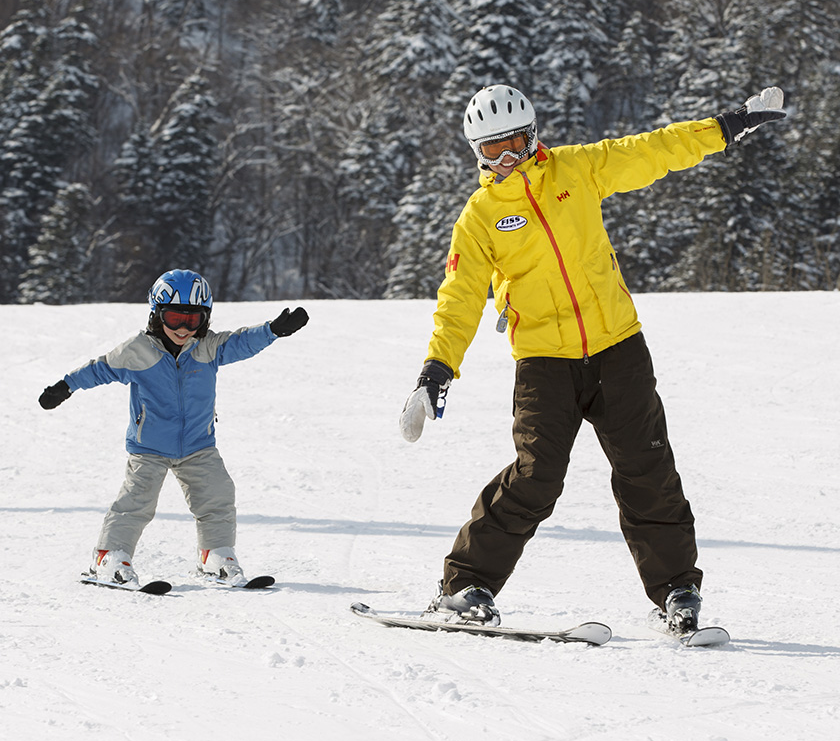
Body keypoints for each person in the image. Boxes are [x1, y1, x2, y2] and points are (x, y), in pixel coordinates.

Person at [399, 84, 786, 632]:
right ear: (476, 154)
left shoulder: (576, 170)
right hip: (542, 362)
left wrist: (724, 127)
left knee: (647, 468)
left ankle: (677, 592)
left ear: (533, 137)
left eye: (514, 144)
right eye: (492, 151)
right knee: (536, 476)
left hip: (618, 349)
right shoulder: (480, 217)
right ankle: (466, 587)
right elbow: (459, 298)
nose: (506, 160)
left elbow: (652, 150)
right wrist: (436, 368)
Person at [38, 268, 309, 587]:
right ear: (157, 315)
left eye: (192, 320)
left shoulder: (209, 347)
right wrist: (65, 386)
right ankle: (109, 557)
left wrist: (273, 330)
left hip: (198, 445)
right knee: (135, 504)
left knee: (218, 496)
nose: (182, 328)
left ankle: (215, 554)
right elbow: (101, 369)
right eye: (174, 318)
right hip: (149, 447)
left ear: (204, 320)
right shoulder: (137, 350)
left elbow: (240, 342)